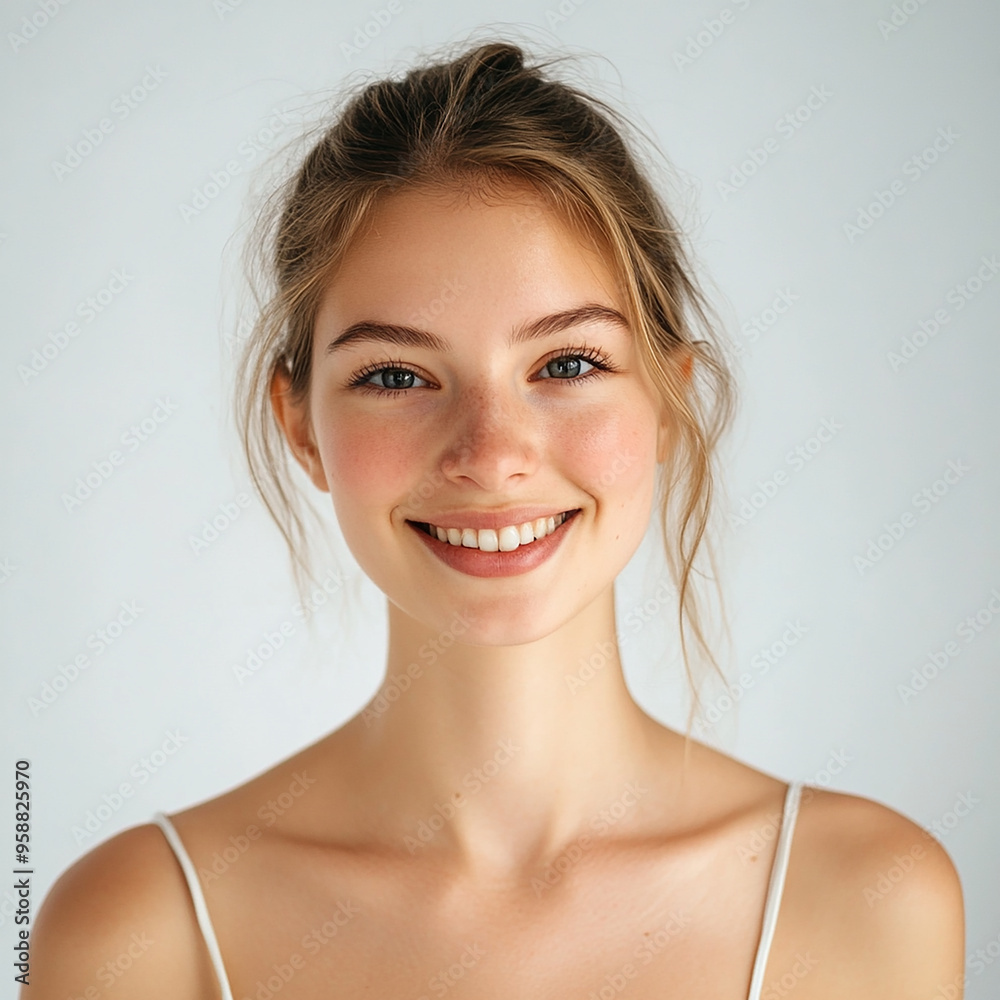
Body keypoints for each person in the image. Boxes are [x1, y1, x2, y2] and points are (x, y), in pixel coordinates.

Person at [27, 39, 963, 999]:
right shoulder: (137, 932)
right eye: (397, 376)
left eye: (566, 365)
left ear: (667, 400)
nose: (490, 452)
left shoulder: (867, 905)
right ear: (299, 426)